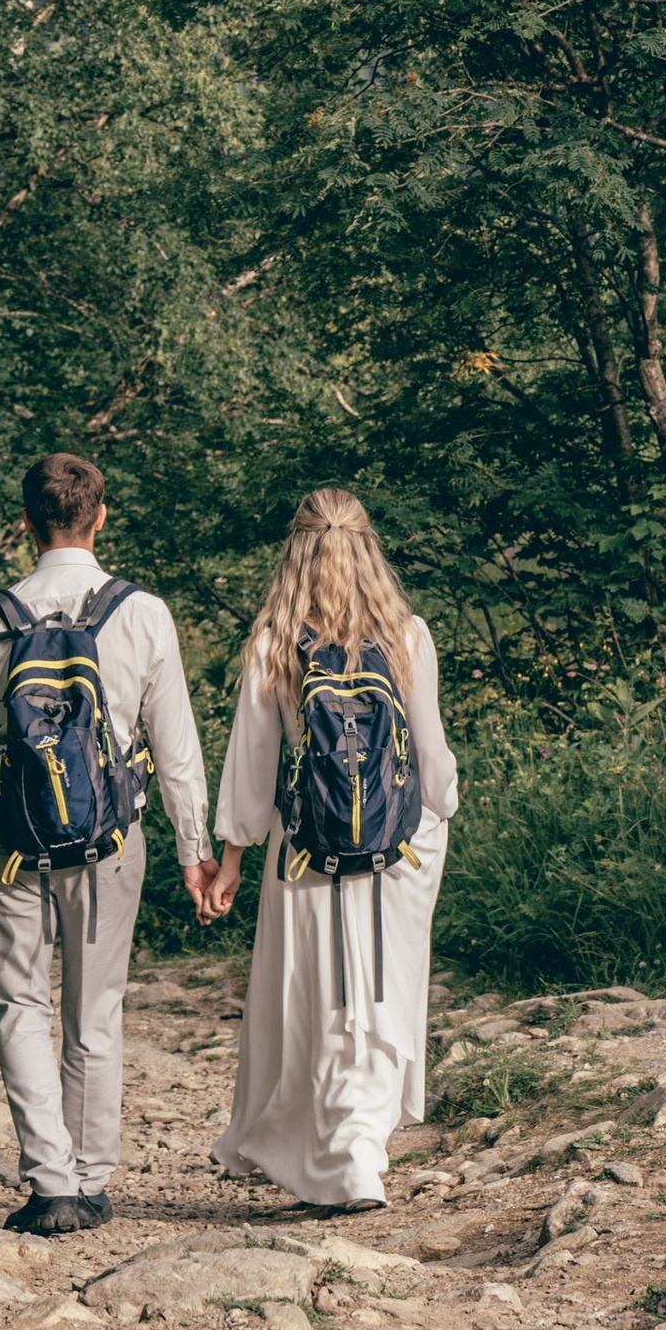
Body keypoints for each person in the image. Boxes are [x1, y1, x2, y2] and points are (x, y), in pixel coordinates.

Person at [0, 450, 215, 1235]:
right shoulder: (143, 613)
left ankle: (51, 1182)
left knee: (18, 1001)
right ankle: (92, 1180)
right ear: (100, 517)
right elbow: (178, 748)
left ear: (25, 523)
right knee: (96, 1006)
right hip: (110, 837)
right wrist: (194, 851)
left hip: (9, 839)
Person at [202, 486, 457, 1213]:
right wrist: (435, 816)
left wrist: (232, 859)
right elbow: (434, 764)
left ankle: (331, 1154)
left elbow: (250, 770)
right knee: (378, 996)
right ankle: (359, 1153)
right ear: (369, 548)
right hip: (396, 854)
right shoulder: (408, 635)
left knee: (316, 1001)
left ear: (296, 551)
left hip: (306, 852)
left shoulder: (276, 642)